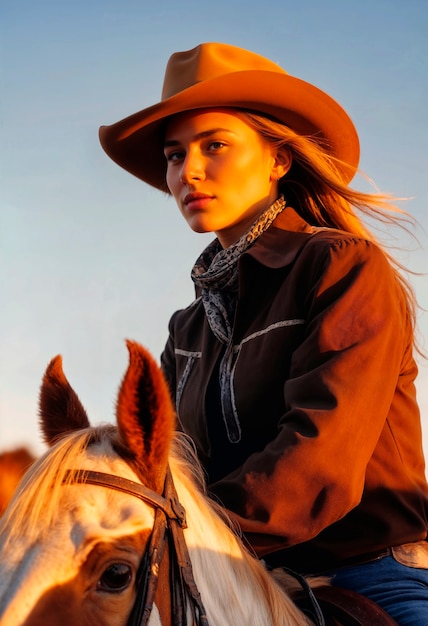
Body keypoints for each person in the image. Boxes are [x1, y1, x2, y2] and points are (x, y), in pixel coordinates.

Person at [99, 42, 428, 624]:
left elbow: (321, 455)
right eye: (175, 155)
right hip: (231, 571)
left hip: (372, 569)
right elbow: (176, 470)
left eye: (215, 145)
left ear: (278, 160)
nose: (188, 171)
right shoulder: (188, 329)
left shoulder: (343, 266)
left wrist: (188, 533)